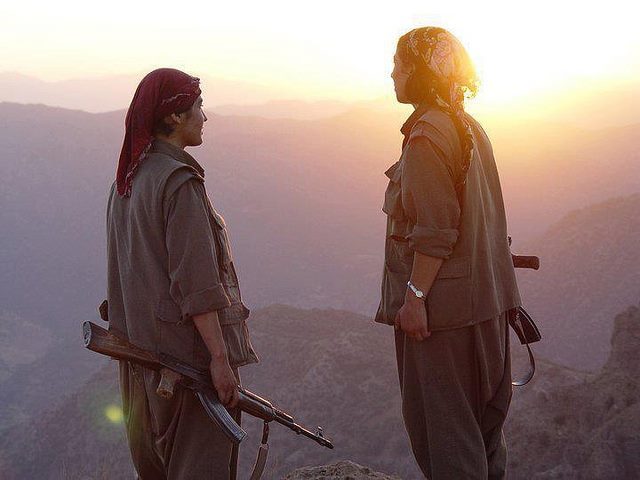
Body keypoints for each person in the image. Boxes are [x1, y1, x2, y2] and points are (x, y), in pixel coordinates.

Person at [375, 27, 521, 479]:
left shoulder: (426, 136)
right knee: (485, 436)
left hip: (445, 318)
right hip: (489, 306)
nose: (392, 73)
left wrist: (415, 298)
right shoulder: (468, 126)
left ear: (420, 72)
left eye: (399, 65)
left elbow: (436, 231)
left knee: (447, 439)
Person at [106, 68, 258, 479]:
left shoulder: (127, 182)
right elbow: (197, 287)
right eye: (199, 107)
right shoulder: (178, 183)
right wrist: (220, 360)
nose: (204, 117)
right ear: (174, 116)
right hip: (186, 365)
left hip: (141, 362)